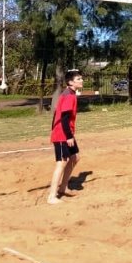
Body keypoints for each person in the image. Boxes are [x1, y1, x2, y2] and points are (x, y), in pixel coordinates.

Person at [48, 69, 84, 205]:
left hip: (66, 133)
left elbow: (57, 113)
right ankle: (52, 196)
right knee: (62, 162)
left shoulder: (70, 93)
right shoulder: (69, 95)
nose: (81, 80)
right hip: (62, 134)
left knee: (75, 158)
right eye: (78, 79)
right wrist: (68, 136)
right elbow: (64, 117)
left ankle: (63, 187)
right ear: (70, 82)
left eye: (81, 78)